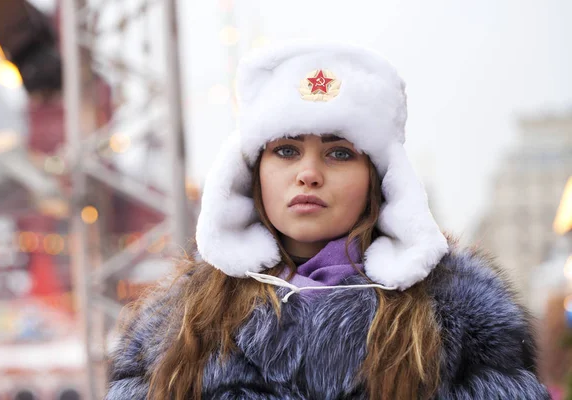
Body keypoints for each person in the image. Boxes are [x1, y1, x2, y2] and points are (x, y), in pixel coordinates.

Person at [105, 41, 550, 399]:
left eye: (339, 153)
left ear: (378, 179)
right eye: (286, 150)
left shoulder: (458, 318)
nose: (309, 174)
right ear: (251, 170)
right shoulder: (180, 322)